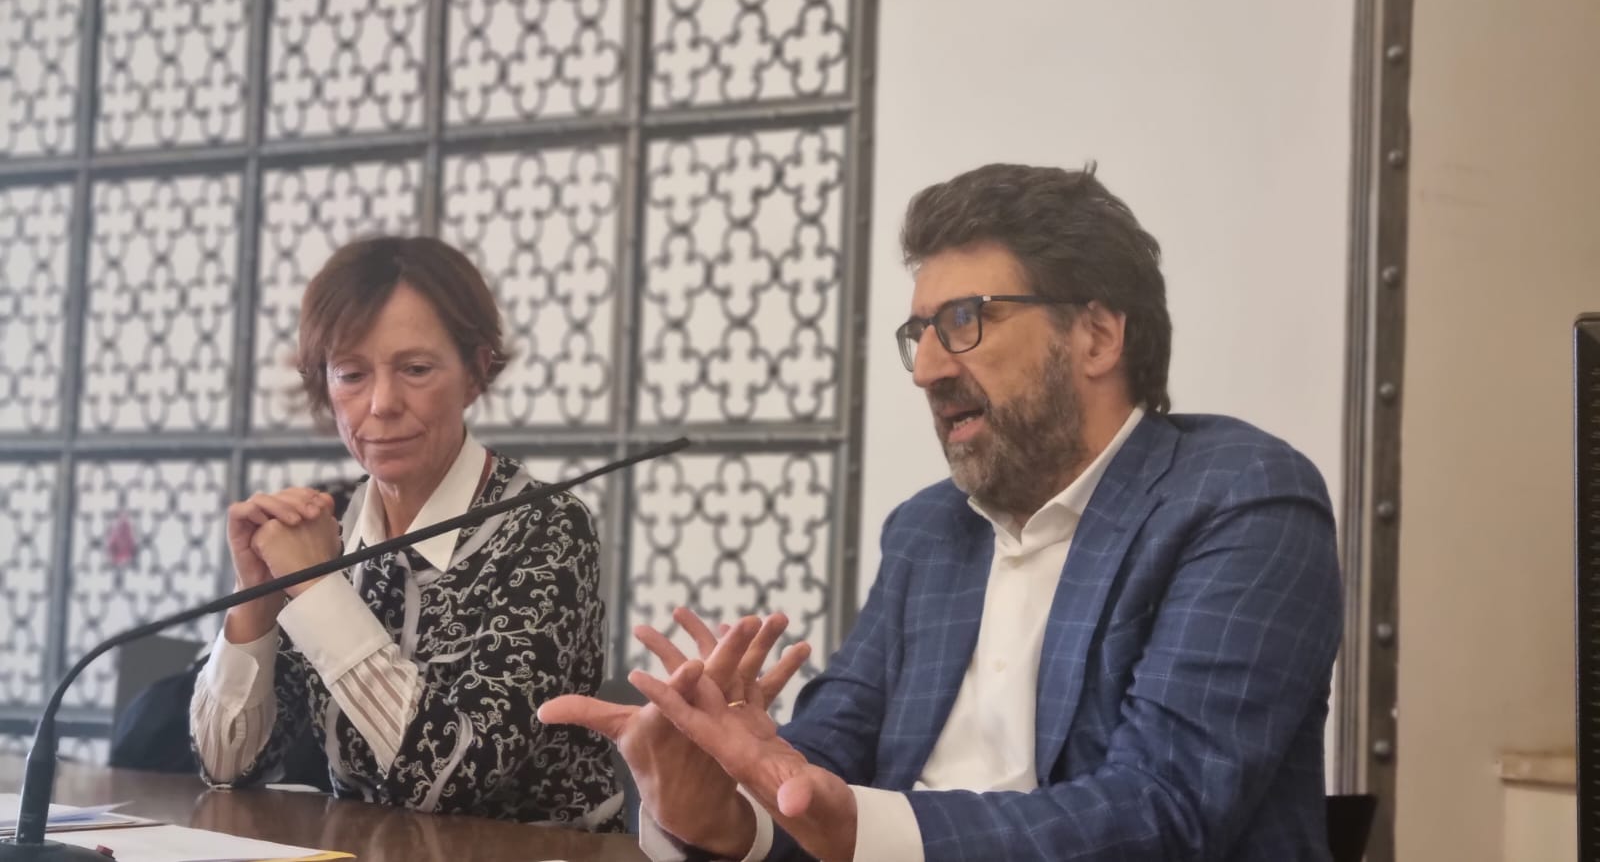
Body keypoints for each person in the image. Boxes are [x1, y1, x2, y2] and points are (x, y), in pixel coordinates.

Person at [541, 163, 1344, 860]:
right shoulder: (930, 531)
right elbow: (826, 763)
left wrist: (863, 828)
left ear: (1097, 336)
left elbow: (1162, 811)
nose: (925, 369)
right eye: (919, 333)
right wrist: (725, 804)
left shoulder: (1241, 499)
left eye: (964, 321)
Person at [190, 235, 621, 829]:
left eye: (416, 369)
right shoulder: (326, 522)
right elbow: (226, 766)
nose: (382, 403)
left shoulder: (545, 528)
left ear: (476, 372)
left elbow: (452, 779)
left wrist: (317, 592)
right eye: (351, 374)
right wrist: (255, 600)